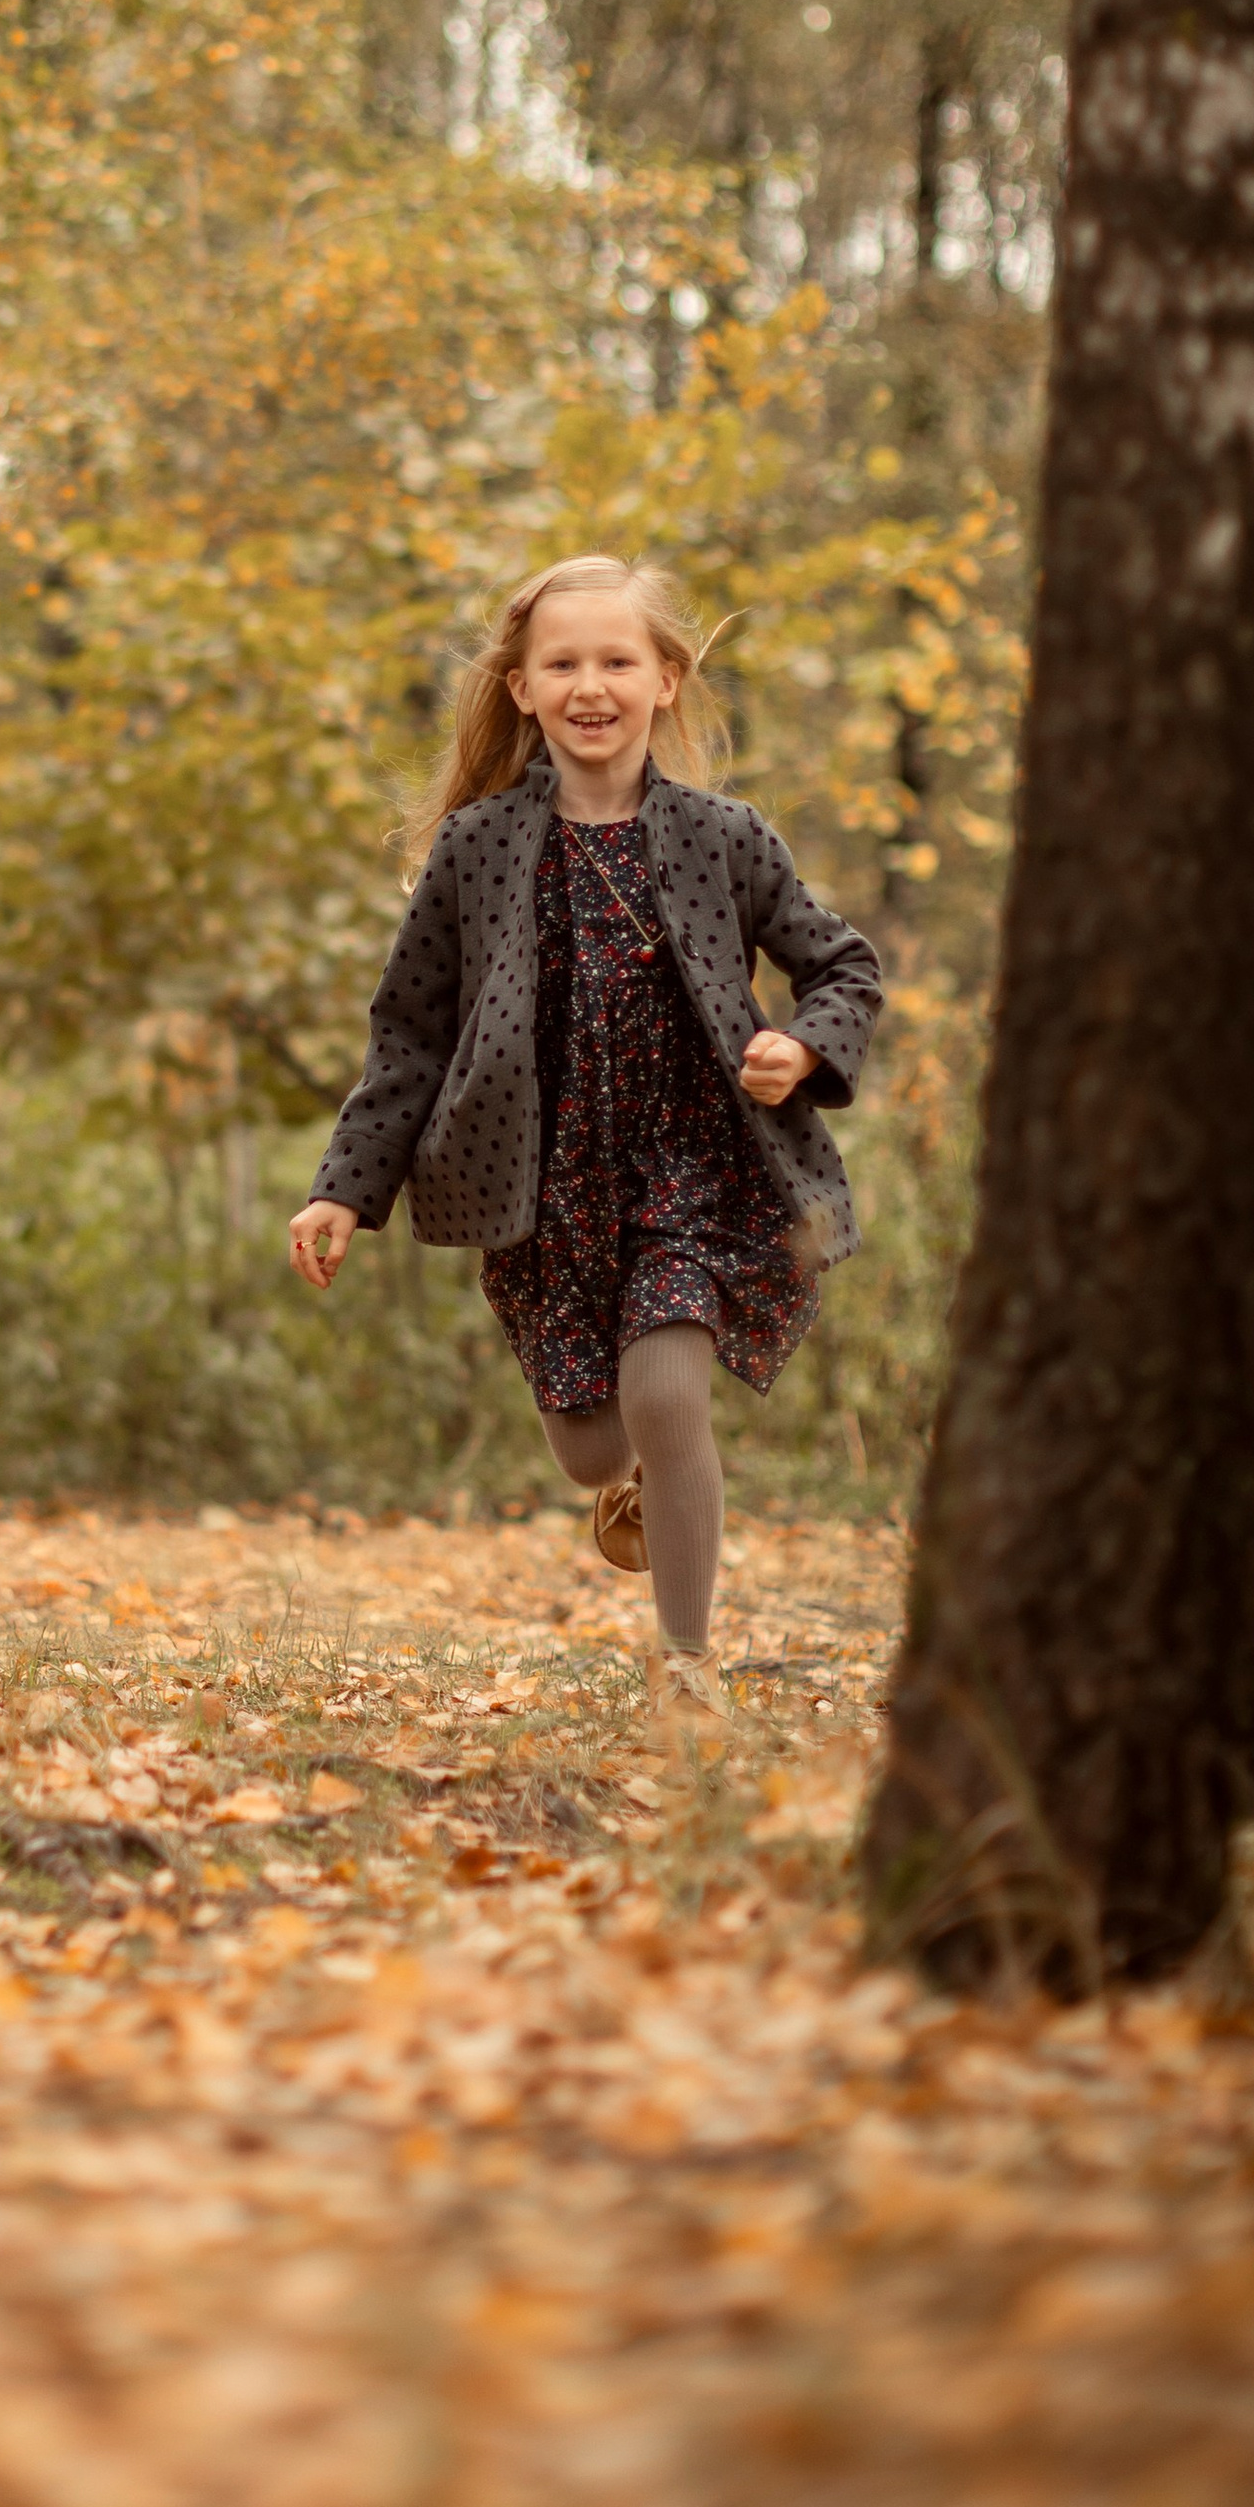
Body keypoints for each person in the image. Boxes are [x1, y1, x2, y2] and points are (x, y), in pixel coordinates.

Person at [288, 553, 882, 1722]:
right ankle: (627, 1485)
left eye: (618, 660)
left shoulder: (724, 836)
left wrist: (805, 1047)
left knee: (666, 1393)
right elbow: (409, 1035)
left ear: (666, 679)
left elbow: (843, 968)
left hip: (696, 1166)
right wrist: (342, 1191)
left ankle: (686, 1666)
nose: (591, 685)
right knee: (589, 1450)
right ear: (521, 688)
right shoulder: (476, 849)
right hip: (542, 1184)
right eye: (562, 663)